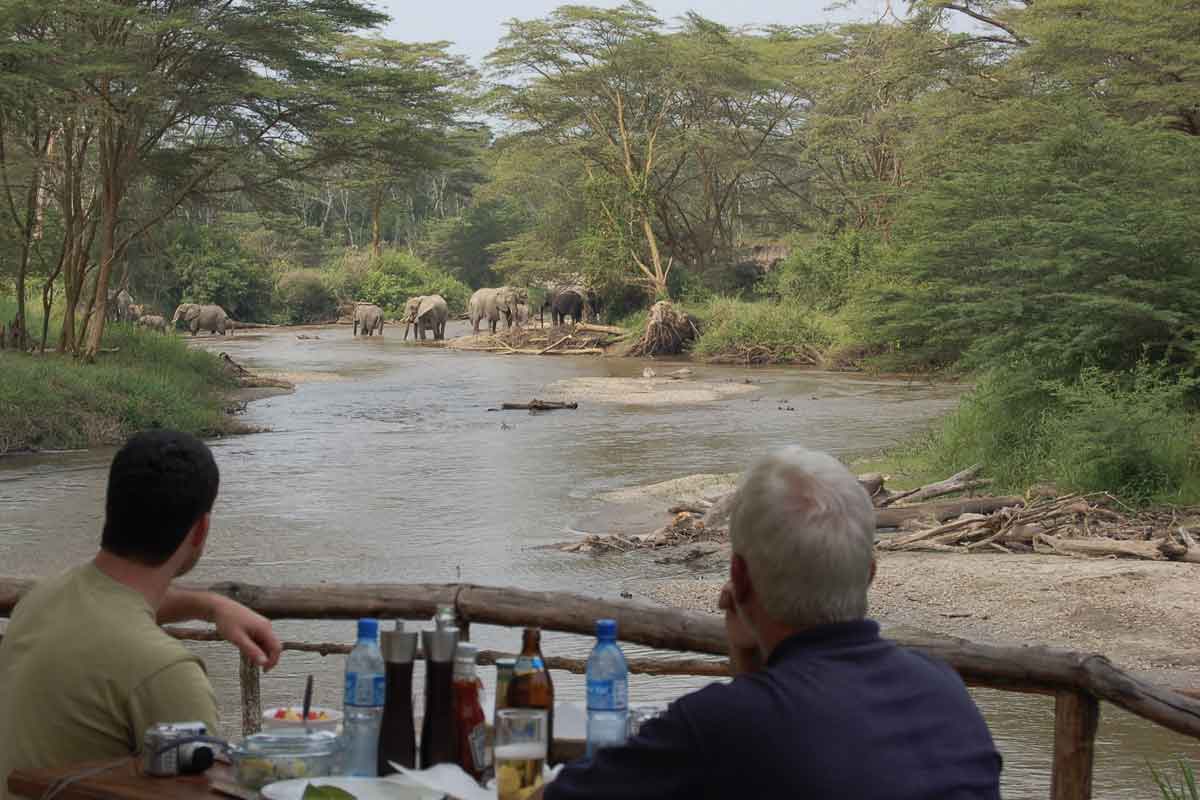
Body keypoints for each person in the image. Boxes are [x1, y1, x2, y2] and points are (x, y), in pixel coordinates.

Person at [542, 447, 1002, 800]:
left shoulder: (717, 727)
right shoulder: (946, 694)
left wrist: (742, 657)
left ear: (739, 579)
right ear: (869, 575)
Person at [0, 430, 282, 797]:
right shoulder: (165, 672)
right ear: (201, 529)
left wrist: (211, 606)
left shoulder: (41, 598)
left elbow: (117, 608)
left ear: (111, 506)